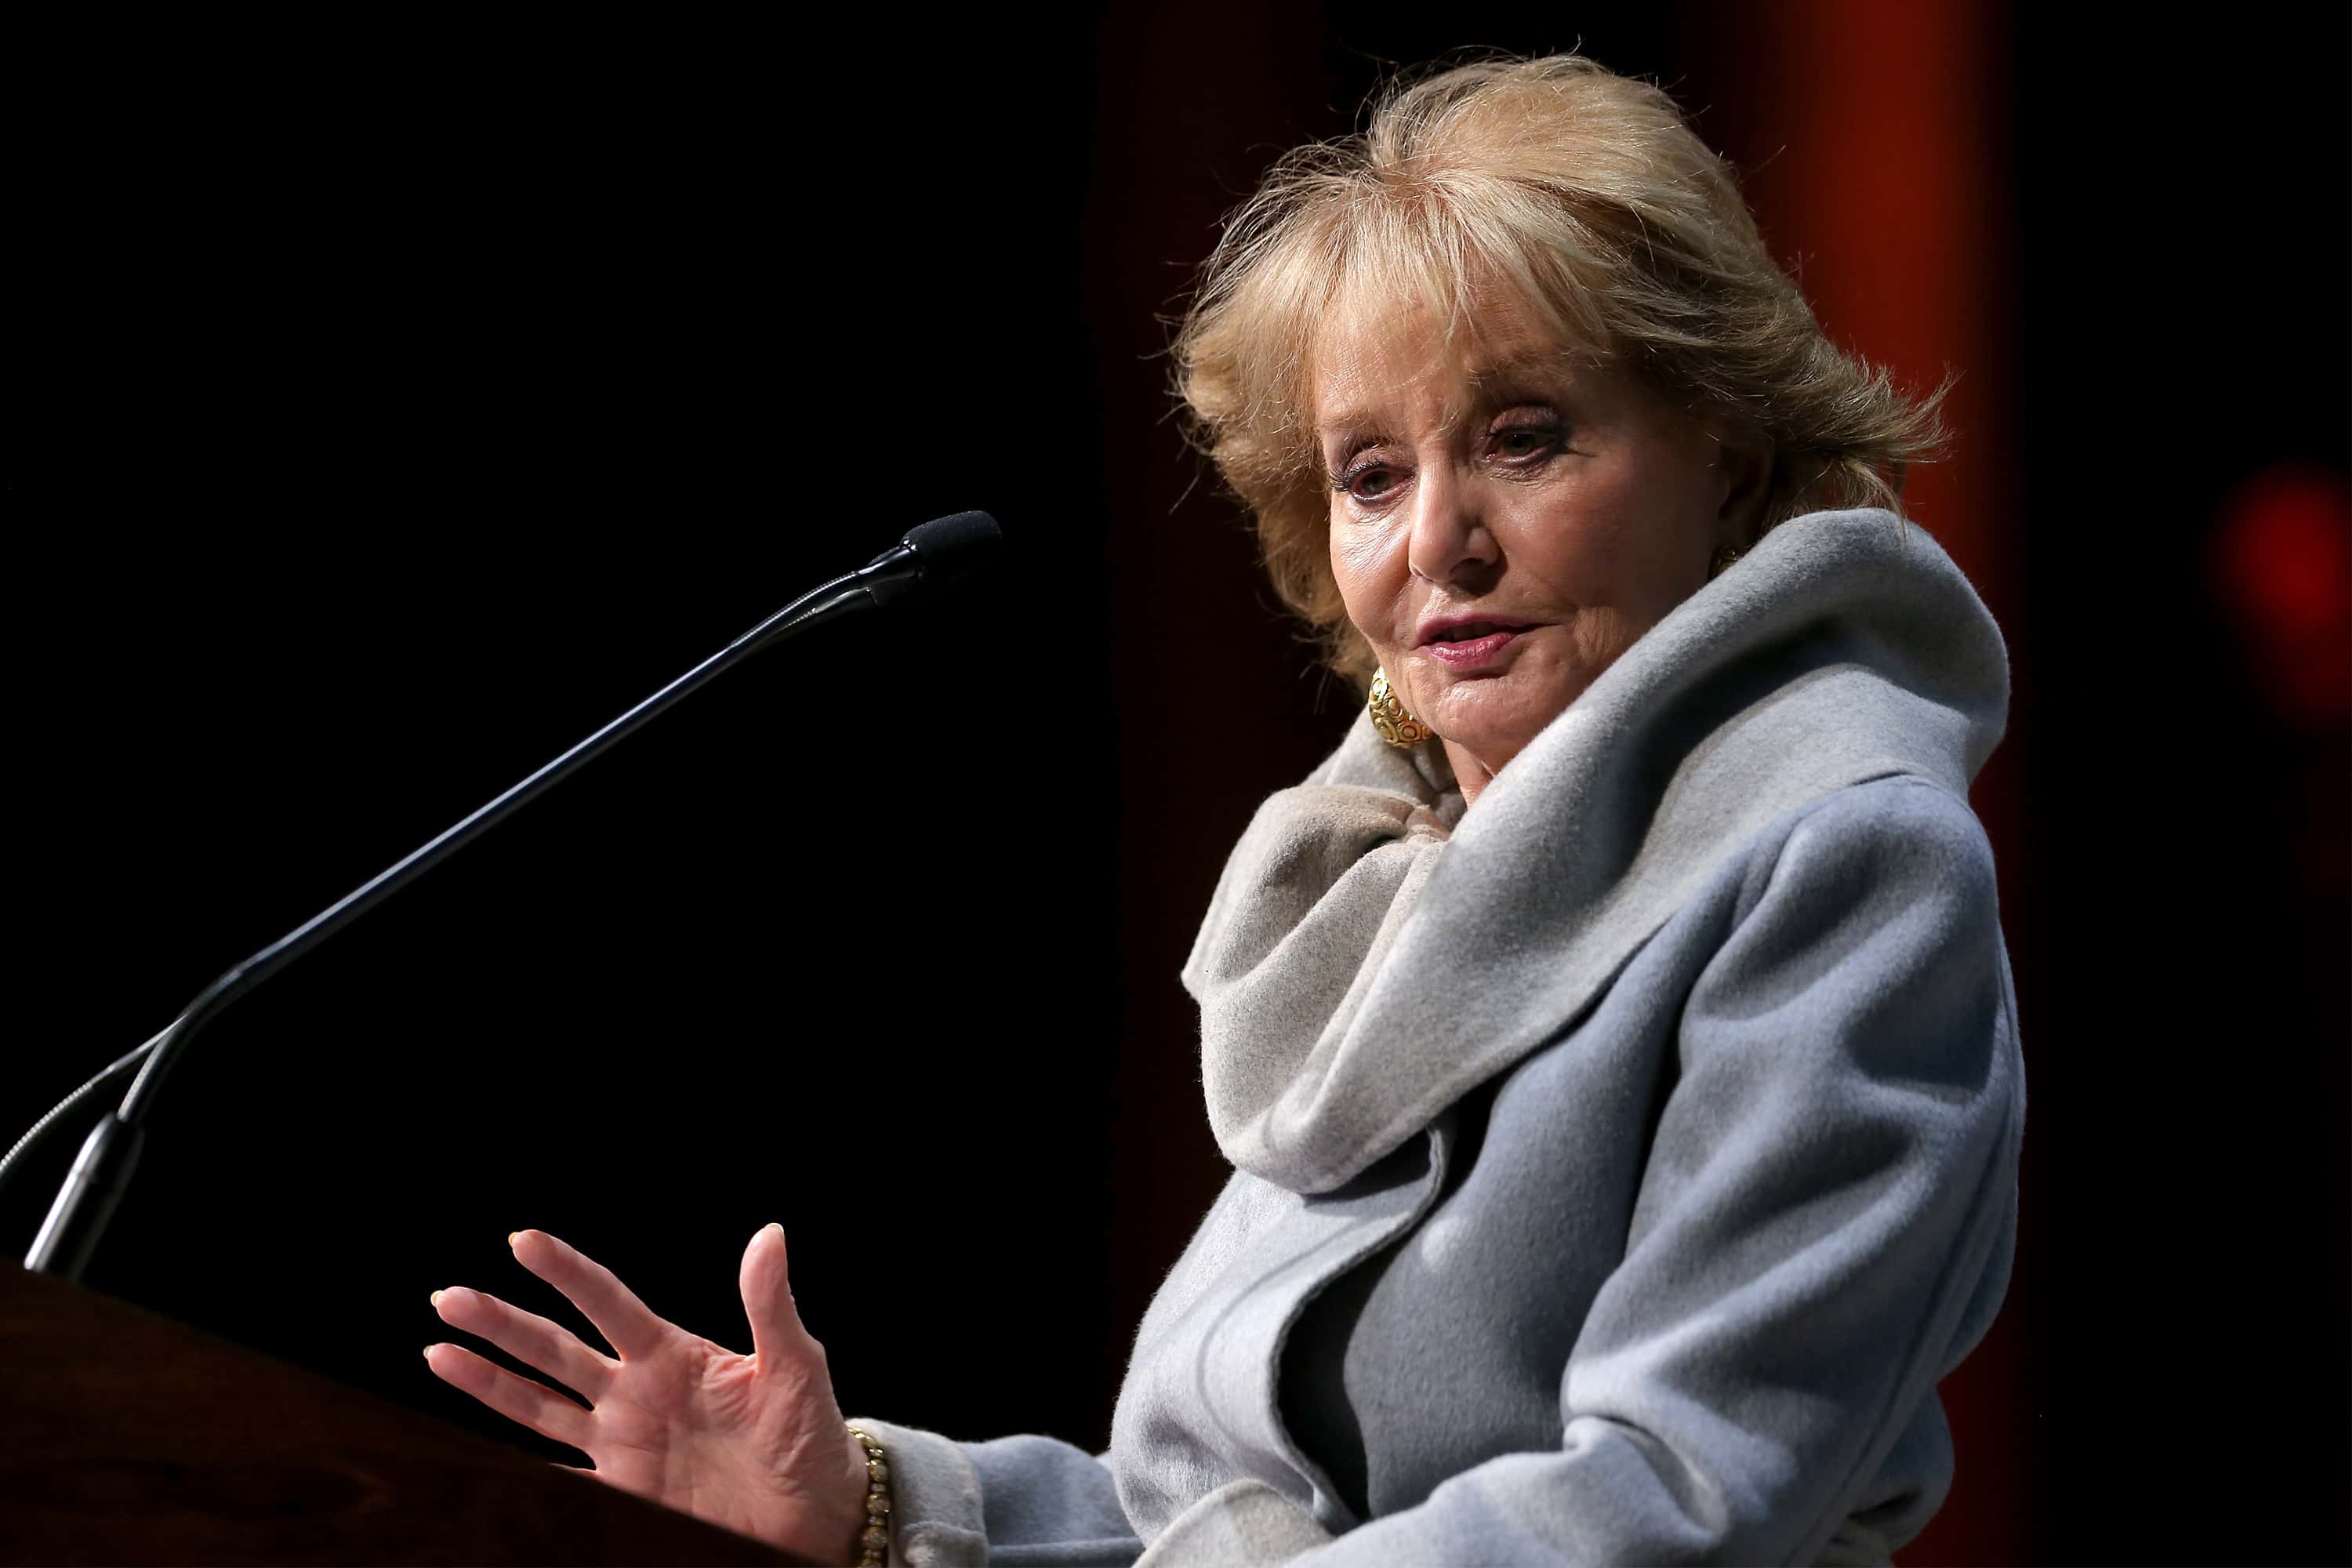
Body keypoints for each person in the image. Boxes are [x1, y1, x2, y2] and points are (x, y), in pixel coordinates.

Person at [421, 53, 2021, 1566]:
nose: (1437, 543)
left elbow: (1678, 1496)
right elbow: (1228, 1512)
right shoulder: (1373, 886)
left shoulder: (1842, 862)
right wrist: (873, 1504)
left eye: (1524, 439)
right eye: (1370, 475)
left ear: (1727, 453)